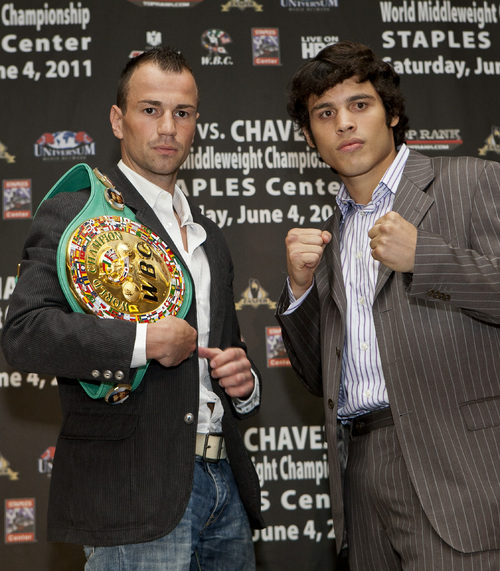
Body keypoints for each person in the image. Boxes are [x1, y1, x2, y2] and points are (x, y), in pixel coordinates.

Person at [2, 46, 264, 570]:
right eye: (150, 110)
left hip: (224, 484)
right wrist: (143, 343)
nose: (168, 127)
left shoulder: (209, 237)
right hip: (132, 490)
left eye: (182, 113)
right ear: (118, 121)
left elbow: (223, 350)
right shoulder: (77, 211)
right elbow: (25, 333)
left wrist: (245, 382)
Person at [275, 40, 500, 570]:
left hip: (458, 469)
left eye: (360, 105)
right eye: (325, 114)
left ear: (392, 113)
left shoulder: (472, 182)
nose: (344, 124)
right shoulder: (327, 238)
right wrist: (300, 291)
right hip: (360, 470)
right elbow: (317, 378)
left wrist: (428, 258)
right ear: (309, 137)